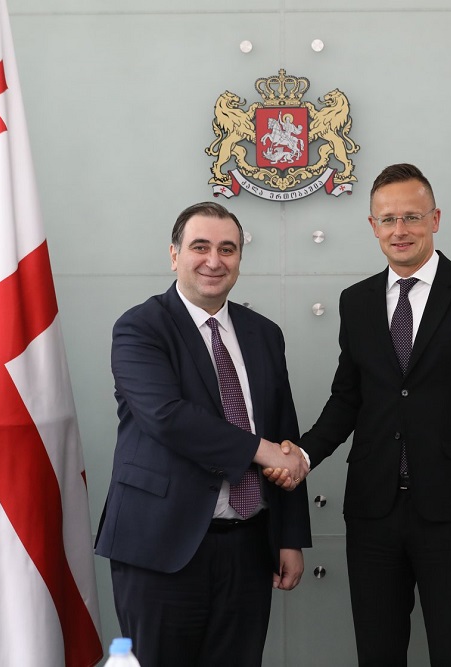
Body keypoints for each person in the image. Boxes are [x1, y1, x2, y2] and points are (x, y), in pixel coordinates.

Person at [268, 163, 451, 665]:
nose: (399, 230)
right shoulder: (357, 301)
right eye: (387, 219)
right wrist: (301, 455)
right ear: (372, 226)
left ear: (435, 219)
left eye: (411, 217)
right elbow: (348, 399)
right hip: (372, 513)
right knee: (377, 654)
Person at [95, 201, 311, 667]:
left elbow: (284, 432)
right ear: (174, 254)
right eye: (200, 247)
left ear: (239, 259)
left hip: (249, 547)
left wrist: (289, 536)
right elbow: (168, 417)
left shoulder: (264, 334)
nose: (214, 260)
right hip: (160, 545)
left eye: (227, 249)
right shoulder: (140, 327)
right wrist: (262, 450)